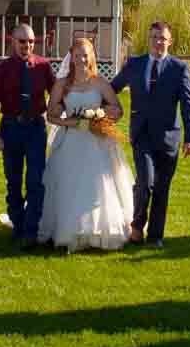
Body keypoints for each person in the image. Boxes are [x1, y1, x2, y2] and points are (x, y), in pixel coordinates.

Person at [38, 38, 132, 252]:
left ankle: (97, 231)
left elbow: (117, 110)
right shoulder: (62, 85)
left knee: (98, 186)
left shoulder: (99, 82)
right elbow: (51, 114)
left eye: (86, 54)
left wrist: (101, 116)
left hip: (97, 141)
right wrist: (69, 122)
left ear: (92, 57)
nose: (81, 59)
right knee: (69, 184)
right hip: (70, 140)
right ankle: (68, 230)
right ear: (71, 57)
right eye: (78, 54)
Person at [112, 20, 190, 248]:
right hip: (141, 135)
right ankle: (137, 225)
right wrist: (99, 106)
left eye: (163, 38)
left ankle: (155, 237)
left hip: (169, 138)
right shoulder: (135, 64)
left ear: (170, 42)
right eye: (155, 37)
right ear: (149, 40)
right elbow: (113, 88)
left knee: (161, 188)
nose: (159, 42)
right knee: (145, 182)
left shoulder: (179, 69)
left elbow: (188, 105)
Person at [0, 24, 56, 248]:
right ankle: (18, 224)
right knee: (14, 181)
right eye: (22, 41)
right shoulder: (2, 69)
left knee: (36, 181)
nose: (27, 46)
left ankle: (30, 230)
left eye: (31, 42)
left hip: (36, 128)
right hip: (11, 129)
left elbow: (55, 94)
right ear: (12, 41)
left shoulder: (43, 67)